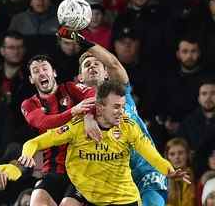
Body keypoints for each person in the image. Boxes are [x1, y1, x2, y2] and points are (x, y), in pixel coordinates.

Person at [18, 80, 190, 206]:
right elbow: (35, 143)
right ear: (99, 108)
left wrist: (169, 170)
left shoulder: (128, 127)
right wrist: (27, 153)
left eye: (122, 106)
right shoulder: (77, 127)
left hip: (124, 199)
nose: (121, 112)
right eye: (116, 107)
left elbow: (151, 154)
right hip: (91, 197)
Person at [57, 26, 169, 206]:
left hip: (144, 170)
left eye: (97, 63)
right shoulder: (75, 111)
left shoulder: (120, 90)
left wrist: (81, 41)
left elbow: (114, 64)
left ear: (107, 73)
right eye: (87, 64)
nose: (92, 65)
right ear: (80, 78)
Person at [20, 54, 96, 205]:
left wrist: (88, 116)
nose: (41, 73)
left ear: (54, 72)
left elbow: (93, 95)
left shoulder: (70, 88)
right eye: (36, 70)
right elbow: (43, 122)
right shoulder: (29, 104)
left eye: (44, 68)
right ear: (31, 79)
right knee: (37, 201)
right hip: (53, 169)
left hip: (82, 168)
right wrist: (73, 111)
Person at [164, 138, 196, 206]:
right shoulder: (162, 179)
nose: (177, 157)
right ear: (167, 157)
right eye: (172, 154)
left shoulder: (196, 176)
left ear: (187, 154)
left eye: (180, 153)